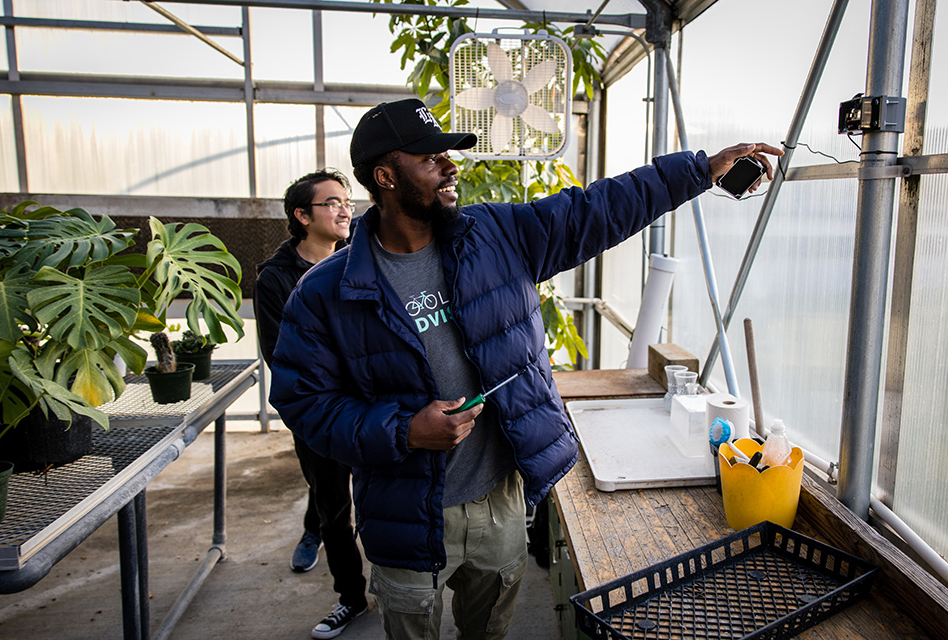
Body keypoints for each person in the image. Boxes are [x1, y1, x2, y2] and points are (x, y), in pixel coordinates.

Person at [269, 98, 783, 639]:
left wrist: (698, 171)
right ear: (386, 176)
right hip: (405, 512)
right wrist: (405, 431)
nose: (450, 166)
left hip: (500, 504)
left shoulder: (496, 235)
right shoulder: (325, 293)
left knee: (488, 631)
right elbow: (305, 405)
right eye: (430, 158)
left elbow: (596, 209)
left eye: (449, 154)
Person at [253, 168, 368, 639]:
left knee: (377, 496)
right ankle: (352, 598)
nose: (345, 209)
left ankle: (388, 578)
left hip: (371, 403)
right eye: (332, 203)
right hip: (319, 412)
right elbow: (281, 354)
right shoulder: (275, 279)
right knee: (334, 505)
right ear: (302, 216)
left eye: (347, 201)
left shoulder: (364, 255)